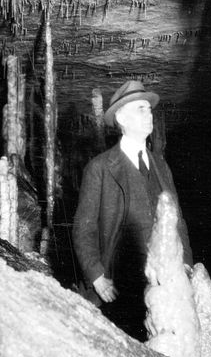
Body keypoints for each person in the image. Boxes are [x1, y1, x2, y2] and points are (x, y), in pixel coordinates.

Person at [72, 80, 192, 339]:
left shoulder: (161, 165)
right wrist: (96, 276)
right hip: (118, 283)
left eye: (149, 109)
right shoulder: (100, 168)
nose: (149, 115)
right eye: (141, 109)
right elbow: (85, 227)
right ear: (121, 118)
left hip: (161, 280)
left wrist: (186, 265)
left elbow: (177, 220)